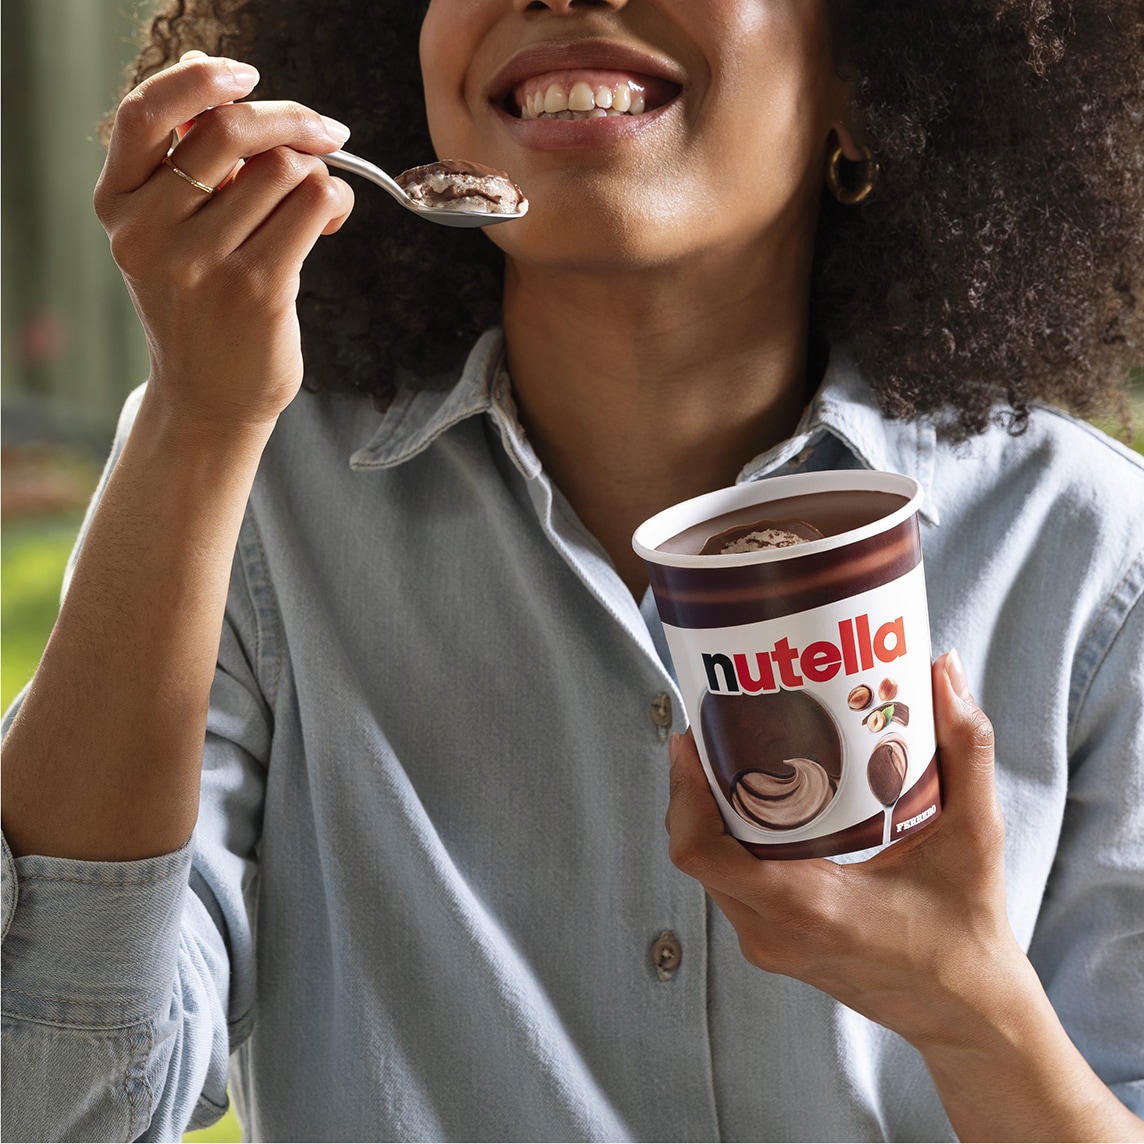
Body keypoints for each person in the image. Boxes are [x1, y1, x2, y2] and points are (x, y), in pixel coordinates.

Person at [2, 0, 1142, 1139]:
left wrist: (967, 1009)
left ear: (861, 73)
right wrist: (197, 419)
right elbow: (54, 1106)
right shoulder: (245, 489)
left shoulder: (1094, 560)